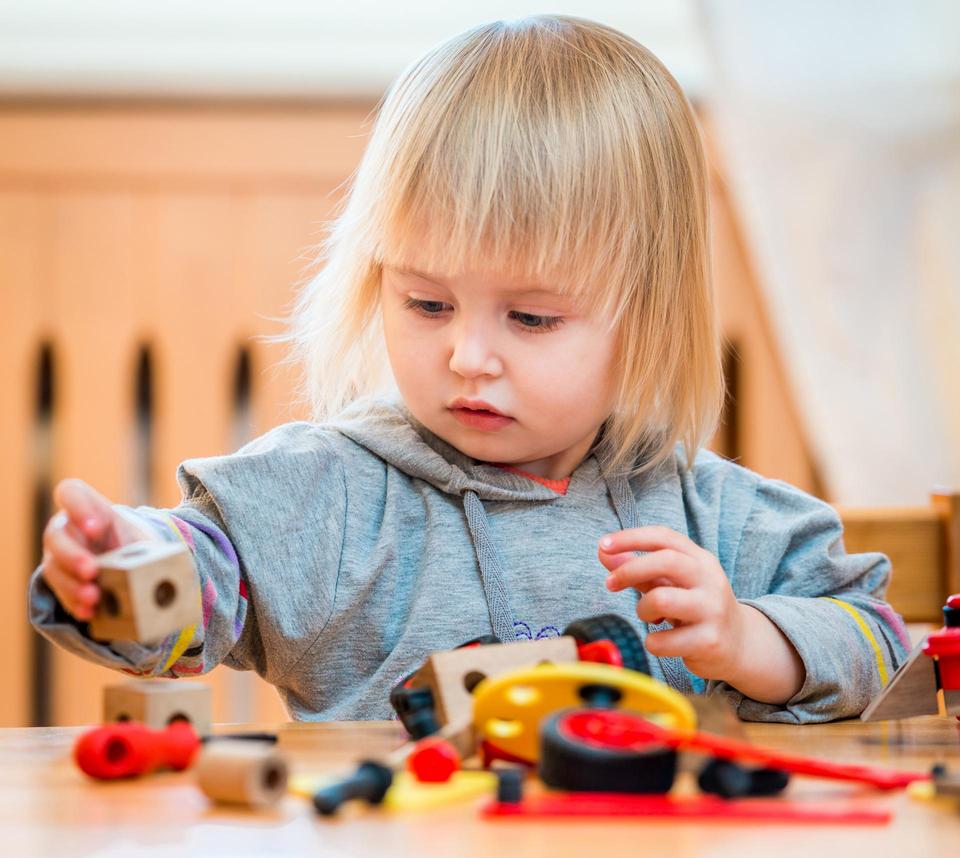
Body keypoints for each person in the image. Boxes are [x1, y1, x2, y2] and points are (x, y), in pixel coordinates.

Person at [29, 15, 909, 723]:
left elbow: (877, 638)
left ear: (645, 318)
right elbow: (199, 586)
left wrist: (748, 639)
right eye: (426, 303)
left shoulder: (713, 517)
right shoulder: (328, 495)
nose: (468, 355)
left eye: (530, 317)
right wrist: (126, 572)